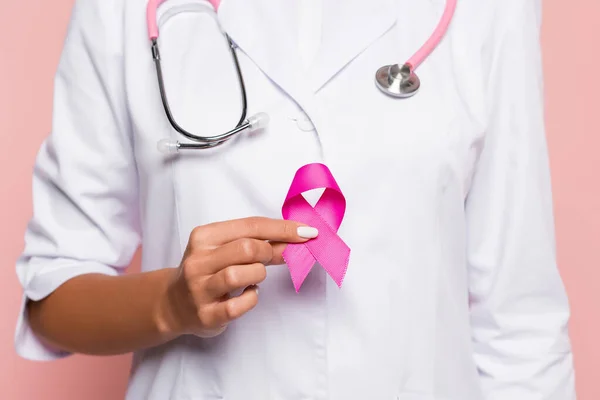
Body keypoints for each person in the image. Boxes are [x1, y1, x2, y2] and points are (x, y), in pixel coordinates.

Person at [14, 0, 576, 399]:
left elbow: (518, 322)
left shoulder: (491, 9)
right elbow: (52, 300)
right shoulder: (121, 9)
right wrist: (171, 303)